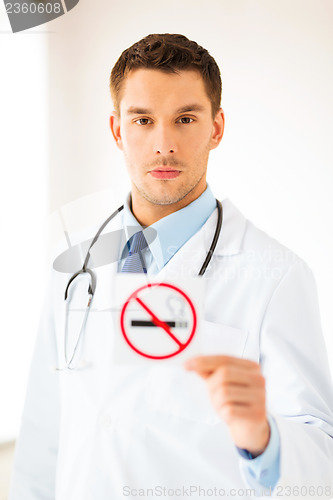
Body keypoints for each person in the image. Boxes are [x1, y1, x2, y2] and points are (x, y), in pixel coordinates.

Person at [9, 33, 333, 500]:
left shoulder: (276, 277)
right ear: (118, 130)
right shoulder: (74, 265)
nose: (163, 145)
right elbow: (43, 442)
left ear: (216, 128)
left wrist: (264, 438)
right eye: (143, 120)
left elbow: (321, 463)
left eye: (185, 119)